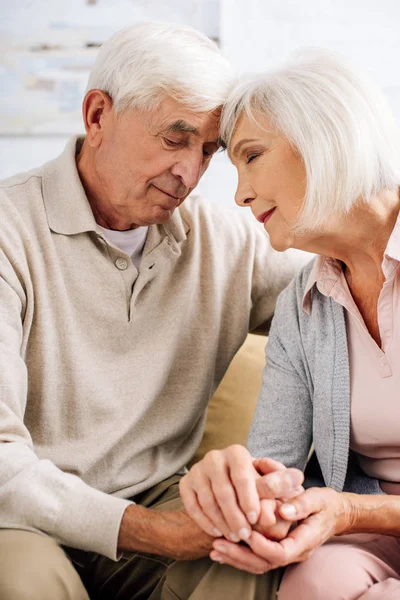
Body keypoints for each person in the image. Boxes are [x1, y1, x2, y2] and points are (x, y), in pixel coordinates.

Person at [0, 22, 306, 600]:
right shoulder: (8, 232)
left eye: (208, 151)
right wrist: (153, 531)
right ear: (97, 117)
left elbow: (341, 300)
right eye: (174, 139)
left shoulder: (224, 242)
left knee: (250, 559)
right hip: (21, 518)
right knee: (23, 581)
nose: (190, 174)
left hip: (158, 495)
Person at [179, 49, 400, 599]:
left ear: (324, 138)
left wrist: (347, 509)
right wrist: (241, 490)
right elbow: (274, 463)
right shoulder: (302, 302)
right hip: (369, 531)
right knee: (314, 582)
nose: (239, 195)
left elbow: (343, 509)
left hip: (360, 518)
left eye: (251, 156)